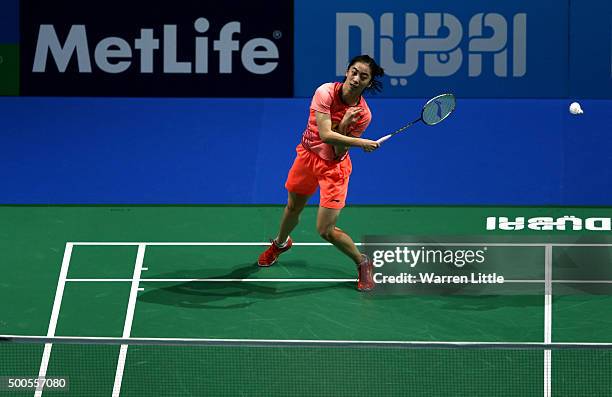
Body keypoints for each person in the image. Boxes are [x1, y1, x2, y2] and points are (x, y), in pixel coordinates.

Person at [257, 54, 384, 292]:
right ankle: (280, 243)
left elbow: (337, 152)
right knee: (293, 207)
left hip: (333, 168)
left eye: (363, 76)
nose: (356, 79)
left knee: (325, 231)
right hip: (306, 157)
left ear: (369, 83)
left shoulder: (363, 114)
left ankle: (363, 262)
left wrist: (347, 126)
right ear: (347, 71)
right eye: (354, 72)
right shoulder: (325, 92)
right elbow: (325, 134)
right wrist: (362, 142)